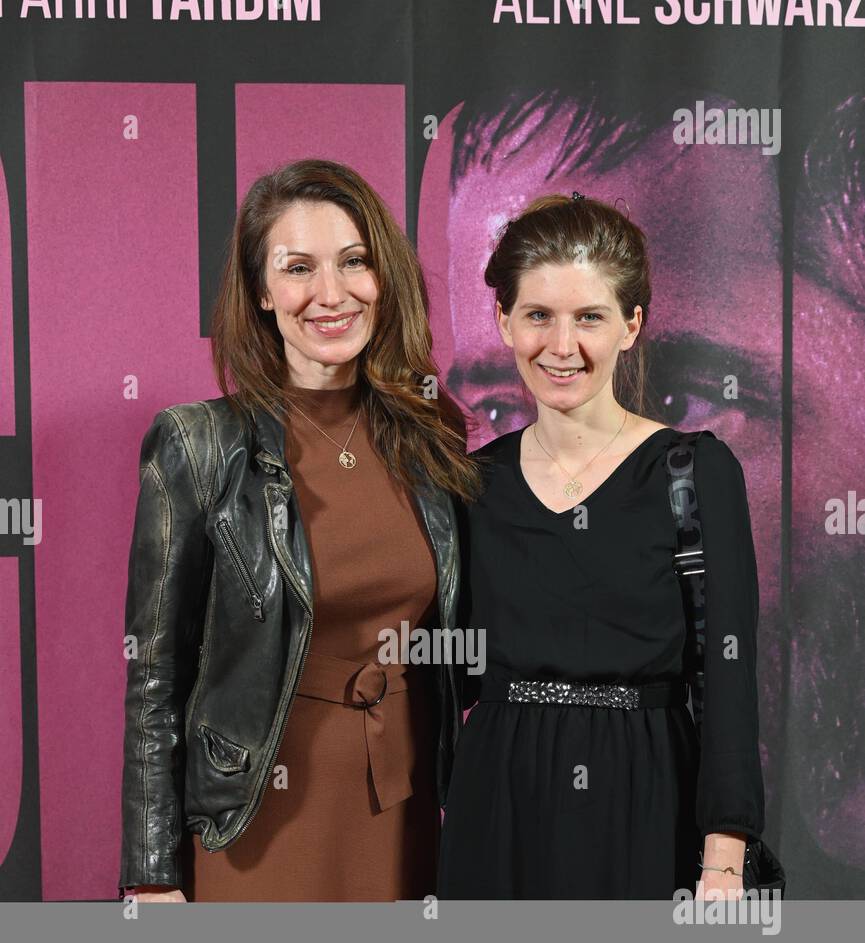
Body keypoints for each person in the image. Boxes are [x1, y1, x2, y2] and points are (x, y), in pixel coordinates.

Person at [119, 159, 480, 903]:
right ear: (260, 290)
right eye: (297, 268)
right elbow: (155, 681)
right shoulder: (198, 445)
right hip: (257, 814)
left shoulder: (429, 433)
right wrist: (152, 877)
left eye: (354, 262)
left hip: (402, 807)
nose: (331, 293)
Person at [437, 192, 765, 900]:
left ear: (631, 325)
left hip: (649, 800)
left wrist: (723, 858)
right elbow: (440, 671)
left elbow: (727, 674)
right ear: (503, 321)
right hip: (496, 805)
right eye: (537, 317)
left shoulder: (694, 471)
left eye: (589, 317)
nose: (562, 346)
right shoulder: (469, 483)